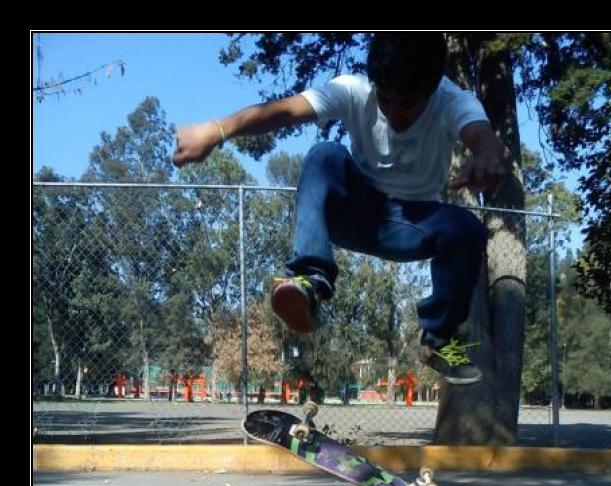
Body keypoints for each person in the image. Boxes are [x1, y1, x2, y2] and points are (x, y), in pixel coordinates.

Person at [173, 33, 507, 384]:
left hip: (412, 225)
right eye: (386, 100)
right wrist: (217, 130)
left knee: (467, 228)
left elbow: (482, 136)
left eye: (407, 104)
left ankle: (438, 338)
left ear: (433, 89)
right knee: (325, 154)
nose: (394, 114)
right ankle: (309, 280)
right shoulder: (352, 90)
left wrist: (487, 156)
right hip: (354, 211)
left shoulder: (454, 101)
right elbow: (284, 111)